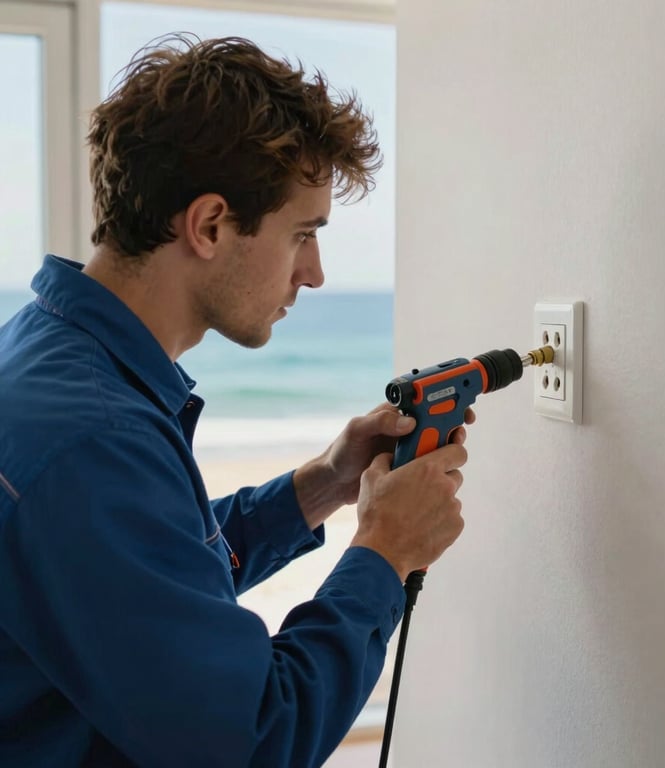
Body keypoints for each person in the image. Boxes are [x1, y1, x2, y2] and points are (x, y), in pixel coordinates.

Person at [0, 35, 469, 767]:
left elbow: (143, 580)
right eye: (303, 235)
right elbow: (255, 740)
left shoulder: (49, 354)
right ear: (211, 225)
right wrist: (386, 552)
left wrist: (319, 490)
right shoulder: (93, 439)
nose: (313, 274)